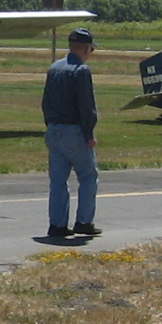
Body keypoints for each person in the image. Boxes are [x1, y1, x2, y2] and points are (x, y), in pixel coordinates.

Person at [41, 26, 100, 241]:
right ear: (85, 49)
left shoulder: (54, 68)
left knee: (58, 181)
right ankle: (84, 221)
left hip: (54, 128)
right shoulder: (81, 71)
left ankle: (57, 224)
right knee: (88, 176)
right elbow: (86, 106)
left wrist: (49, 124)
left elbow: (45, 102)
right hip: (74, 130)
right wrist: (89, 133)